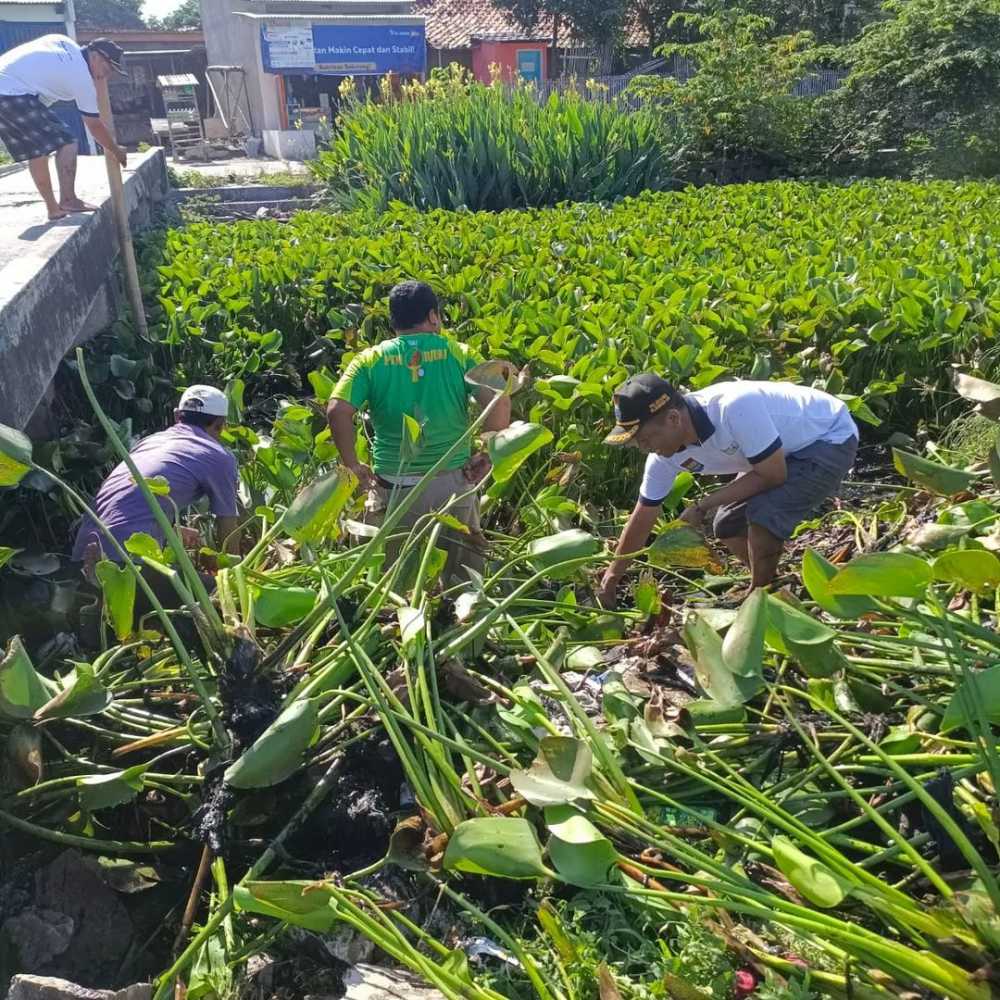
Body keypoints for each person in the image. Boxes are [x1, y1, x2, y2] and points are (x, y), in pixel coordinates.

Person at [597, 374, 859, 607]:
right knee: (726, 524)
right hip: (775, 454)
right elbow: (643, 515)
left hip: (828, 438)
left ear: (674, 419)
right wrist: (612, 576)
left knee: (764, 514)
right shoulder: (663, 456)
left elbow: (773, 475)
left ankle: (760, 598)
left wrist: (703, 505)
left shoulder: (733, 409)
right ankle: (769, 580)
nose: (644, 449)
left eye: (645, 439)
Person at [327, 280, 513, 585]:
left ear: (393, 321)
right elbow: (499, 397)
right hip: (453, 484)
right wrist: (488, 453)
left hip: (394, 487)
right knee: (463, 583)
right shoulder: (458, 352)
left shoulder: (370, 359)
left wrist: (352, 464)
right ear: (433, 316)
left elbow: (337, 410)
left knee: (395, 586)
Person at [72, 385, 242, 574]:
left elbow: (126, 503)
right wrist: (234, 575)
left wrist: (169, 530)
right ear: (221, 424)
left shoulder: (150, 441)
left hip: (83, 550)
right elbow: (227, 523)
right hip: (124, 560)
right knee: (213, 595)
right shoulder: (218, 456)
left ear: (177, 416)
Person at [0, 35, 128, 221]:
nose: (105, 77)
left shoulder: (63, 42)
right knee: (67, 142)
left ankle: (53, 208)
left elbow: (41, 86)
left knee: (36, 151)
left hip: (9, 88)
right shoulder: (81, 78)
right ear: (95, 57)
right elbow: (94, 125)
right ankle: (68, 200)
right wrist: (116, 150)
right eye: (107, 70)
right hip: (12, 93)